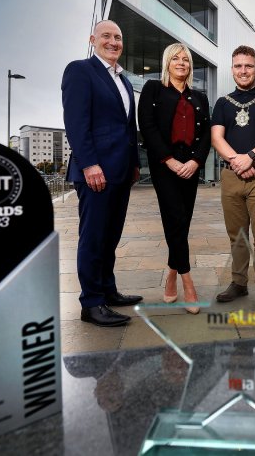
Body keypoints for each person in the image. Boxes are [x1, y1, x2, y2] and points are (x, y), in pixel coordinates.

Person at [62, 19, 143, 327]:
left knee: (110, 236)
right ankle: (91, 303)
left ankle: (108, 291)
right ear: (92, 39)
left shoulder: (123, 81)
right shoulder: (80, 71)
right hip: (95, 172)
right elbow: (76, 123)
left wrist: (134, 163)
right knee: (93, 238)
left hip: (121, 172)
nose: (113, 41)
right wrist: (89, 164)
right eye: (106, 36)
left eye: (118, 37)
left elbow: (127, 128)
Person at [138, 43, 210, 314]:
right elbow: (147, 126)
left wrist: (195, 161)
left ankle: (171, 271)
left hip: (191, 165)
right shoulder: (153, 89)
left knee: (183, 222)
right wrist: (168, 160)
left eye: (186, 60)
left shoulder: (199, 97)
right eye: (176, 59)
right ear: (167, 63)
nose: (182, 63)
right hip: (164, 163)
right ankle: (188, 282)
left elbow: (206, 135)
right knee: (175, 218)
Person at [211, 45, 255, 312]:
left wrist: (250, 157)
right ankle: (238, 283)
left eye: (249, 66)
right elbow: (216, 137)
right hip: (232, 176)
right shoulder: (222, 103)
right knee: (238, 236)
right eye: (238, 66)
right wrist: (237, 161)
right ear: (232, 69)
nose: (243, 71)